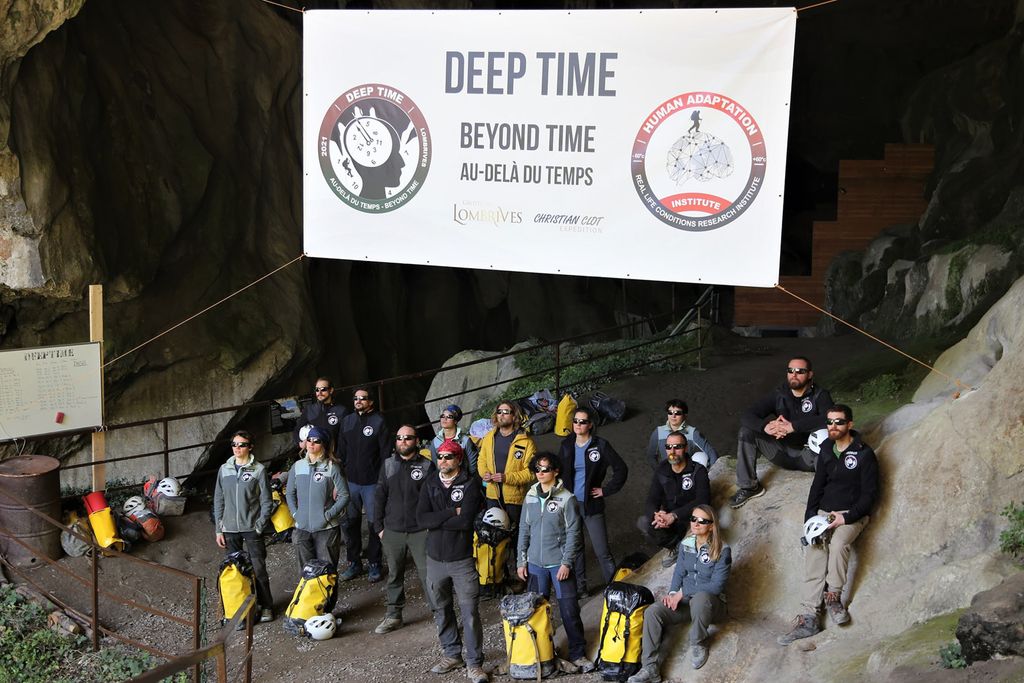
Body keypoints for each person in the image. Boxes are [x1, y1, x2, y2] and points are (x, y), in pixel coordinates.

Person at [778, 404, 878, 645]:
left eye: (839, 422)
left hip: (850, 514)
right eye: (830, 422)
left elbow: (869, 495)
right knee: (814, 552)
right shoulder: (826, 448)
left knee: (839, 543)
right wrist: (810, 519)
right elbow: (817, 485)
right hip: (824, 512)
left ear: (850, 425)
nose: (833, 427)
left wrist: (846, 518)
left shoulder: (864, 453)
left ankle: (834, 595)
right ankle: (810, 616)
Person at [627, 504, 731, 682]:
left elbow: (716, 586)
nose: (696, 524)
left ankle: (698, 642)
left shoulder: (722, 549)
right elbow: (679, 572)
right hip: (687, 604)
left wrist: (682, 592)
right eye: (693, 519)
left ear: (712, 526)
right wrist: (673, 592)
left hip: (711, 606)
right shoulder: (686, 544)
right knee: (653, 612)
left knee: (701, 598)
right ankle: (650, 667)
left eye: (702, 521)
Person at [417, 440, 488, 683]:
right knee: (441, 608)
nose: (443, 461)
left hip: (461, 560)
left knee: (469, 612)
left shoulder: (469, 484)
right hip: (435, 559)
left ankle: (474, 663)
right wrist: (450, 512)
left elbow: (465, 522)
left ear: (458, 459)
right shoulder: (430, 483)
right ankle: (451, 653)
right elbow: (422, 519)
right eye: (441, 457)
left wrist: (440, 519)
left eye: (449, 457)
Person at [517, 453, 594, 673]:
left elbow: (574, 533)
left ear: (556, 471)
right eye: (537, 469)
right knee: (537, 612)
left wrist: (567, 563)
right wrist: (521, 561)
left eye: (545, 469)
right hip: (535, 564)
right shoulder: (530, 496)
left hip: (558, 565)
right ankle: (543, 652)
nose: (540, 474)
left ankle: (578, 654)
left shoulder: (566, 498)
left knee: (569, 610)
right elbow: (524, 529)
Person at [730, 356, 834, 509]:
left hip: (809, 457)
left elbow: (830, 418)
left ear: (810, 374)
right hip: (781, 453)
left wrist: (793, 426)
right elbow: (747, 415)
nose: (794, 374)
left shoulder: (820, 395)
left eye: (800, 371)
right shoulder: (780, 394)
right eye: (790, 370)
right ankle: (749, 487)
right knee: (747, 431)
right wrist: (765, 426)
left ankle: (828, 490)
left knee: (824, 436)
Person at [372, 424, 437, 634]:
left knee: (429, 574)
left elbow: (435, 499)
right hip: (393, 530)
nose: (403, 441)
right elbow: (380, 496)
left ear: (416, 441)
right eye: (399, 438)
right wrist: (379, 527)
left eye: (408, 438)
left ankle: (440, 614)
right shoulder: (388, 465)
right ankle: (394, 615)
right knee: (394, 574)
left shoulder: (427, 466)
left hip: (420, 531)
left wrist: (431, 527)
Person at [557, 406, 628, 594]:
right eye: (575, 421)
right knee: (576, 548)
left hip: (592, 505)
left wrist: (606, 490)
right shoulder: (566, 445)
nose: (578, 425)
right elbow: (558, 471)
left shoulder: (600, 445)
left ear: (590, 425)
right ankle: (581, 588)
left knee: (602, 550)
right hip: (571, 505)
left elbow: (621, 469)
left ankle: (613, 588)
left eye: (582, 422)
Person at [213, 430, 274, 624]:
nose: (237, 448)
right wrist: (218, 528)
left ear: (250, 447)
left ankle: (266, 606)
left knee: (259, 568)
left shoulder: (258, 470)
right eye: (234, 444)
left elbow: (267, 501)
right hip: (230, 529)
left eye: (242, 444)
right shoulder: (225, 469)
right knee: (236, 571)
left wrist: (259, 525)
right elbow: (219, 499)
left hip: (251, 528)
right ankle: (242, 608)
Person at [285, 426, 350, 608]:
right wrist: (296, 514)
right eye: (310, 440)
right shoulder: (297, 467)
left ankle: (327, 610)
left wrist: (328, 515)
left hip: (327, 529)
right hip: (302, 527)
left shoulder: (332, 467)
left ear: (324, 444)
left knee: (327, 571)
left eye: (317, 441)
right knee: (304, 570)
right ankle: (306, 609)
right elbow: (289, 493)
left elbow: (345, 496)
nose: (312, 444)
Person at [477, 401, 536, 576]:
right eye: (499, 412)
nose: (502, 415)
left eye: (506, 412)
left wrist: (507, 478)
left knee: (519, 538)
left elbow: (532, 473)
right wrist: (485, 474)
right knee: (494, 537)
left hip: (514, 498)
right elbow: (481, 460)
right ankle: (498, 575)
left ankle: (523, 575)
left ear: (514, 416)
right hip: (493, 495)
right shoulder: (489, 438)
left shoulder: (525, 442)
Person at [338, 386, 390, 582]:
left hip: (372, 483)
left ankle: (375, 563)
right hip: (350, 481)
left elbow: (386, 454)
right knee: (350, 523)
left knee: (374, 523)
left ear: (371, 402)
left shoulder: (379, 421)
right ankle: (354, 563)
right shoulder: (347, 421)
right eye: (356, 398)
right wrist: (339, 480)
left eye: (363, 398)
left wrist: (383, 482)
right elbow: (341, 452)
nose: (359, 401)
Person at [644, 433, 710, 567]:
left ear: (686, 448)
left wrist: (674, 515)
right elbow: (652, 499)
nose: (672, 451)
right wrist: (657, 515)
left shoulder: (698, 470)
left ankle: (691, 544)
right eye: (669, 447)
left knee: (702, 516)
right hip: (670, 519)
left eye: (677, 447)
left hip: (690, 516)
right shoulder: (661, 469)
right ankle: (676, 546)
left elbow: (703, 500)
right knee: (647, 523)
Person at [645, 399, 719, 470]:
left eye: (678, 413)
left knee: (701, 456)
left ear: (685, 415)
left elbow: (711, 452)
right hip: (667, 472)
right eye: (670, 412)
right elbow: (651, 456)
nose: (673, 416)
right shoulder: (658, 432)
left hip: (686, 472)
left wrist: (711, 474)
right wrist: (659, 472)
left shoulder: (693, 432)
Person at [293, 377, 348, 448]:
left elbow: (348, 436)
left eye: (323, 389)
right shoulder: (310, 409)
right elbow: (297, 430)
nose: (319, 393)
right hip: (315, 455)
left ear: (331, 390)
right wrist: (300, 443)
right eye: (317, 390)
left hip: (335, 455)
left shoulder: (341, 410)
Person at [426, 404, 479, 475]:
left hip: (463, 479)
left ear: (455, 421)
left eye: (449, 417)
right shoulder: (436, 441)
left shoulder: (465, 440)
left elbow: (472, 464)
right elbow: (436, 464)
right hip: (444, 480)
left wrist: (468, 478)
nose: (445, 419)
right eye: (443, 416)